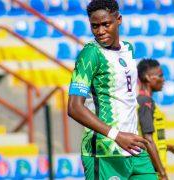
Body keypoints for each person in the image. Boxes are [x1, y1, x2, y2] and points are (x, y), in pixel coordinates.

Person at [67, 0, 157, 179]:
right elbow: (74, 108)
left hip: (134, 148)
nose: (100, 31)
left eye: (105, 24)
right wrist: (116, 135)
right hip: (104, 151)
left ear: (119, 20)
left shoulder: (128, 49)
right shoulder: (90, 54)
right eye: (95, 26)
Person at [137, 58, 174, 180]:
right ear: (148, 77)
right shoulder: (145, 103)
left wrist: (168, 147)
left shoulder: (146, 102)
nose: (163, 79)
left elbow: (149, 138)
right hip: (150, 170)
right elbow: (147, 139)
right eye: (160, 76)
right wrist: (162, 174)